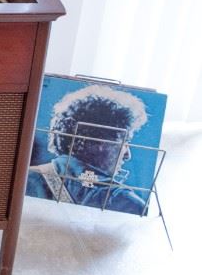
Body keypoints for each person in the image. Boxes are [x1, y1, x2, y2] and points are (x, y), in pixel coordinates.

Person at [27, 84, 149, 214]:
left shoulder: (25, 178)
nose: (127, 155)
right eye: (125, 142)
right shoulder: (124, 202)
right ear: (99, 141)